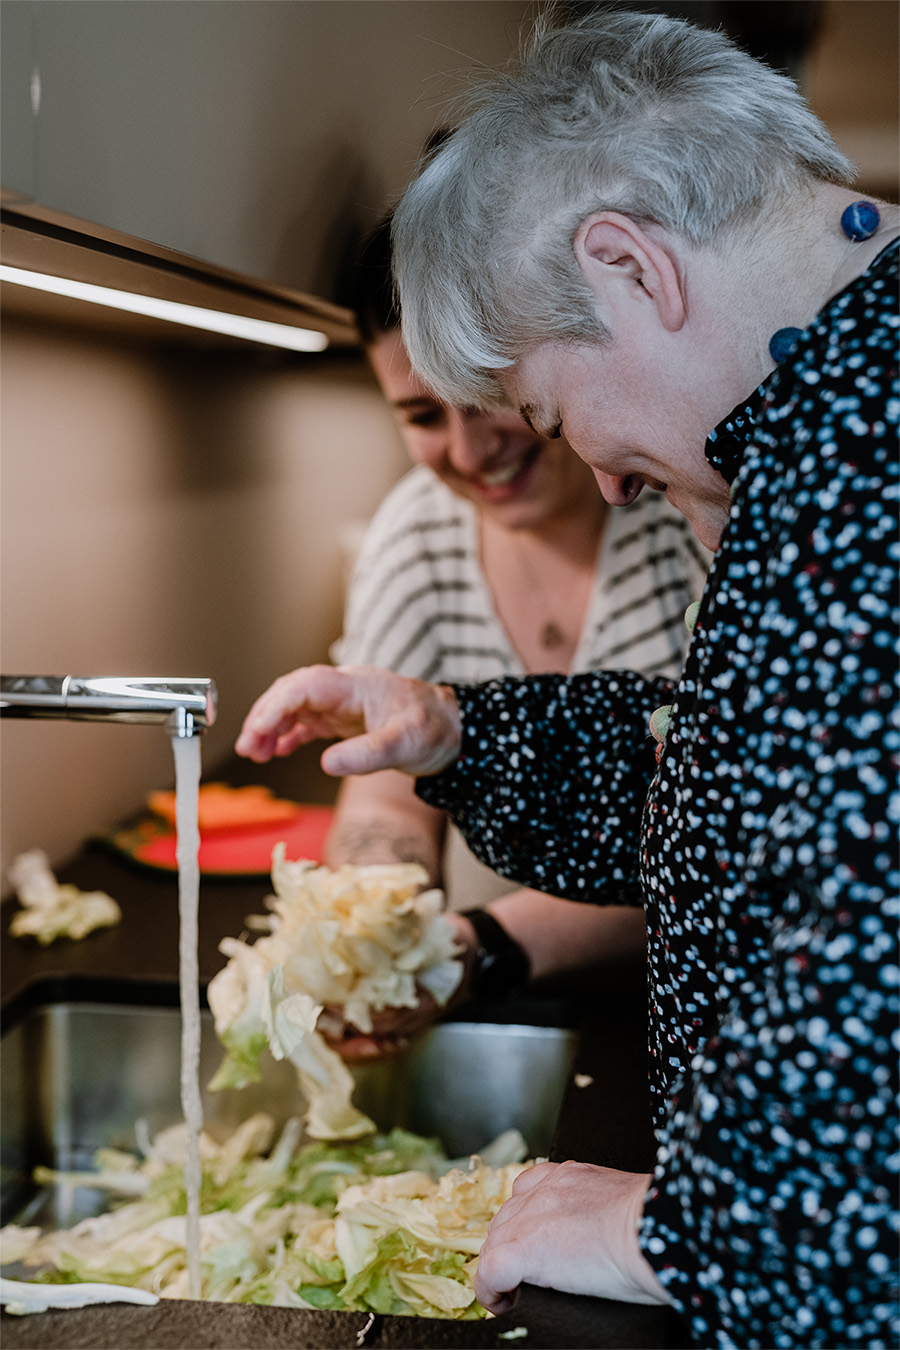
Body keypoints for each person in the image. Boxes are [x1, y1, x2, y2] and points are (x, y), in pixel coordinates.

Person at [237, 10, 899, 1348]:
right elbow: (736, 790)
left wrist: (678, 1234)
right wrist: (457, 733)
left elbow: (860, 1019)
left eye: (547, 403)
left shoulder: (858, 486)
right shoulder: (817, 436)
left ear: (631, 268)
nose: (593, 471)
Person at [325, 217, 710, 1028]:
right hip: (491, 993)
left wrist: (483, 945)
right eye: (423, 417)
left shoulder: (689, 514)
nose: (469, 452)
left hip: (688, 1003)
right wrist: (372, 937)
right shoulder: (413, 535)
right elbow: (388, 796)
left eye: (481, 397)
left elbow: (718, 822)